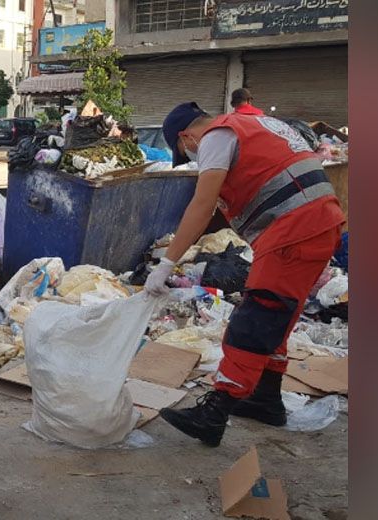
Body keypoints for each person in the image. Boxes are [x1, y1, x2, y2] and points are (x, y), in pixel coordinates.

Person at [146, 102, 345, 447]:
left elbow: (202, 204)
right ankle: (265, 400)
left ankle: (214, 412)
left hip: (294, 227)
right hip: (321, 223)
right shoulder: (254, 124)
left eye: (186, 153)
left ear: (186, 137)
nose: (194, 158)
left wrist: (166, 263)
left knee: (255, 319)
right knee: (276, 316)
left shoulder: (216, 136)